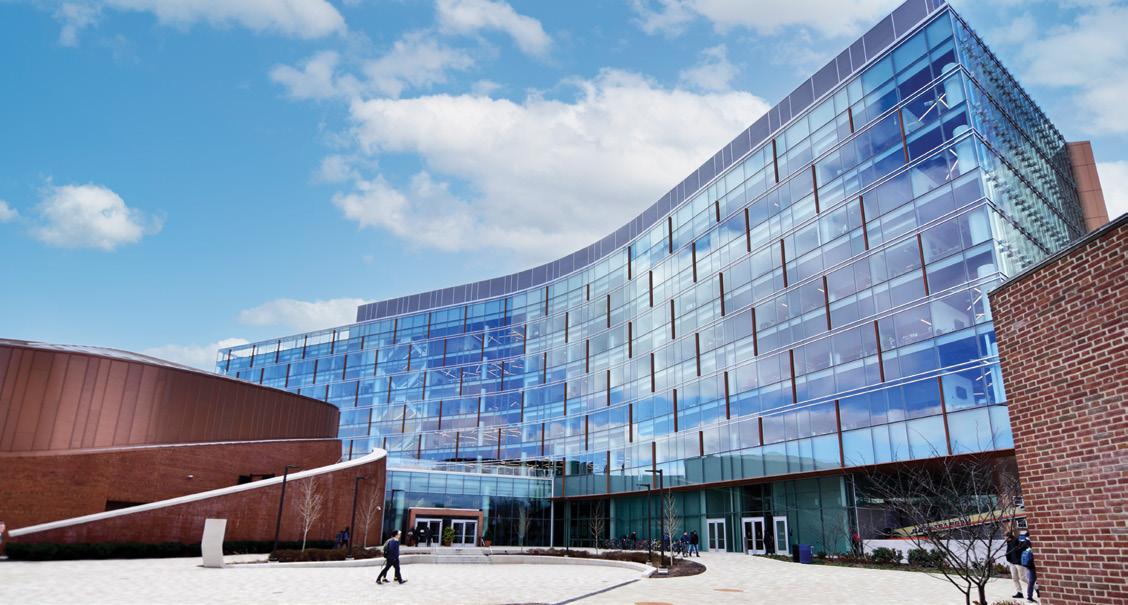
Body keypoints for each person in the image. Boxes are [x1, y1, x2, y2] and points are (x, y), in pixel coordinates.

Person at [1005, 530, 1028, 598]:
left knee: (1023, 578)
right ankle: (1019, 592)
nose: (1004, 538)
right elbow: (1009, 551)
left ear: (1008, 536)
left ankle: (1036, 587)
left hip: (1019, 562)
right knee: (1014, 578)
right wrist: (1008, 558)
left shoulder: (1017, 541)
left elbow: (1024, 547)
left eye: (1005, 536)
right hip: (1012, 562)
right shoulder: (1008, 542)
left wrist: (1020, 558)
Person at [1021, 537, 1037, 603]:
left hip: (1030, 567)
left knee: (1031, 582)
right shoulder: (1033, 549)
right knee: (1032, 582)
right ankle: (1030, 597)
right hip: (1033, 567)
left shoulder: (1028, 549)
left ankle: (1029, 597)